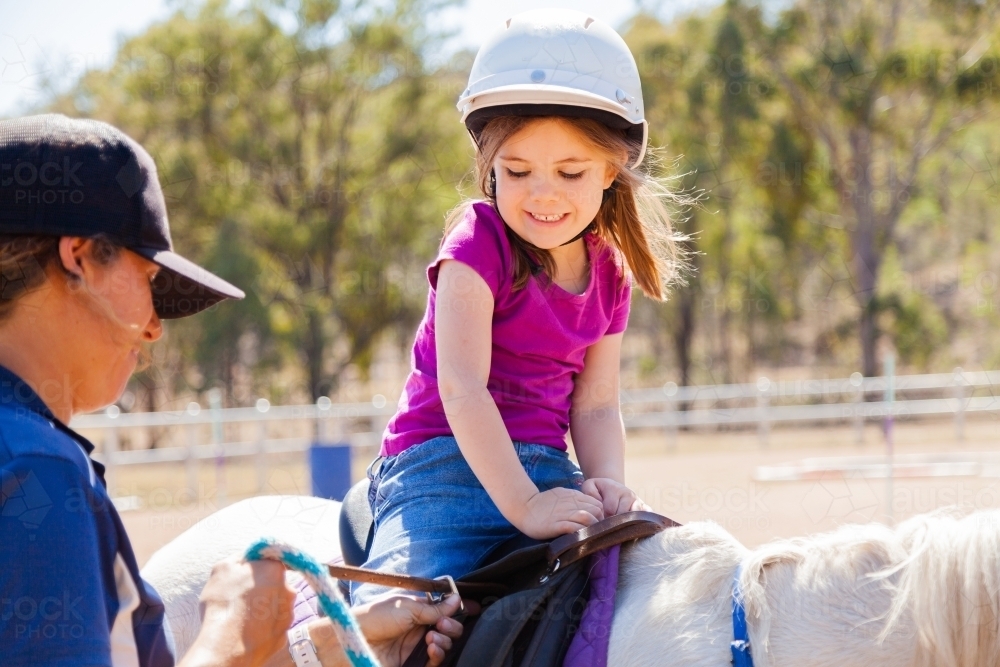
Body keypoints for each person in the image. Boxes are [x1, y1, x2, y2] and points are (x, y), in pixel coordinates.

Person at [0, 114, 464, 667]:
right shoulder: (36, 466)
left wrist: (316, 648)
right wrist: (229, 633)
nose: (155, 326)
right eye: (149, 280)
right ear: (78, 257)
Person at [349, 8, 684, 605]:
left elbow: (599, 405)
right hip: (439, 471)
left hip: (548, 471)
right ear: (489, 167)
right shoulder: (477, 244)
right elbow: (462, 388)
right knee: (398, 613)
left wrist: (607, 483)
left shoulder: (609, 271)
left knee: (640, 592)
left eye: (571, 171)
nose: (543, 192)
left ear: (611, 170)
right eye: (518, 169)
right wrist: (525, 505)